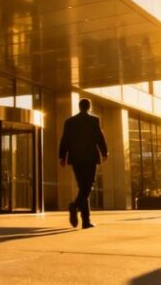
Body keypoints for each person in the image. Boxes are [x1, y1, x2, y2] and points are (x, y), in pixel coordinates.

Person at [58, 98, 108, 229]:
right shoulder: (94, 120)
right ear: (89, 107)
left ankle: (86, 221)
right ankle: (74, 206)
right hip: (90, 158)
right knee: (88, 186)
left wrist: (62, 157)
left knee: (82, 187)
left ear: (79, 107)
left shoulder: (69, 122)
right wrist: (104, 152)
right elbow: (99, 137)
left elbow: (65, 139)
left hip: (76, 158)